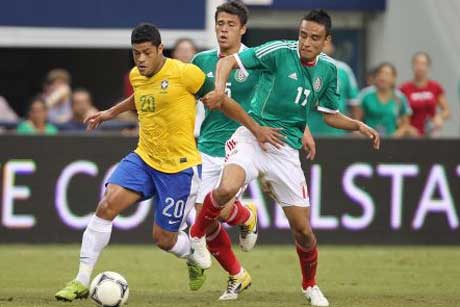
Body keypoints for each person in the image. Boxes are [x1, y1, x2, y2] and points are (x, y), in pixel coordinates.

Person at [54, 22, 281, 303]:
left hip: (180, 169)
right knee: (106, 204)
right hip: (144, 158)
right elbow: (139, 96)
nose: (141, 59)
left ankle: (193, 255)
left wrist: (256, 129)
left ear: (161, 49)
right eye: (136, 53)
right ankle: (81, 280)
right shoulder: (137, 74)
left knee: (163, 239)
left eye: (147, 53)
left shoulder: (186, 74)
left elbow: (221, 100)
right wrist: (110, 113)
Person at [189, 10, 380, 307]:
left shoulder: (329, 70)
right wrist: (218, 90)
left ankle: (310, 285)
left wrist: (358, 125)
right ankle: (197, 234)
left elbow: (329, 116)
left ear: (326, 41)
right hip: (251, 137)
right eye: (303, 34)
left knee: (303, 231)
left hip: (285, 150)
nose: (305, 42)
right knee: (225, 189)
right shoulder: (279, 51)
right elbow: (227, 61)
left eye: (314, 38)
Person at [191, 0, 276, 300]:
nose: (223, 30)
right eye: (220, 24)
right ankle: (239, 265)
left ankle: (224, 236)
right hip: (206, 146)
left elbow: (278, 100)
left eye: (230, 25)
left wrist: (302, 130)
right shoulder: (201, 61)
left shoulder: (256, 62)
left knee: (207, 214)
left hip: (239, 147)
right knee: (213, 215)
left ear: (243, 29)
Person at [308, 40, 360, 136]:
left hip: (337, 133)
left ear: (332, 47)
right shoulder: (303, 68)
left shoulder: (344, 70)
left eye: (326, 44)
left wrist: (356, 129)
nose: (323, 48)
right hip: (309, 132)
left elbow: (354, 104)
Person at [357, 63, 417, 137]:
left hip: (392, 142)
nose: (383, 77)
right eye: (380, 73)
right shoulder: (365, 95)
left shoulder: (400, 98)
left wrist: (397, 134)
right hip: (368, 139)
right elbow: (357, 122)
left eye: (387, 74)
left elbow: (405, 125)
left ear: (393, 78)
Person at [399, 52, 450, 137]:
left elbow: (447, 111)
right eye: (417, 63)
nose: (420, 67)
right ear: (412, 65)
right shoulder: (403, 88)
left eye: (423, 64)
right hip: (411, 135)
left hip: (432, 132)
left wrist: (440, 117)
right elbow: (397, 114)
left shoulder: (435, 87)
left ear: (428, 67)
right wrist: (406, 127)